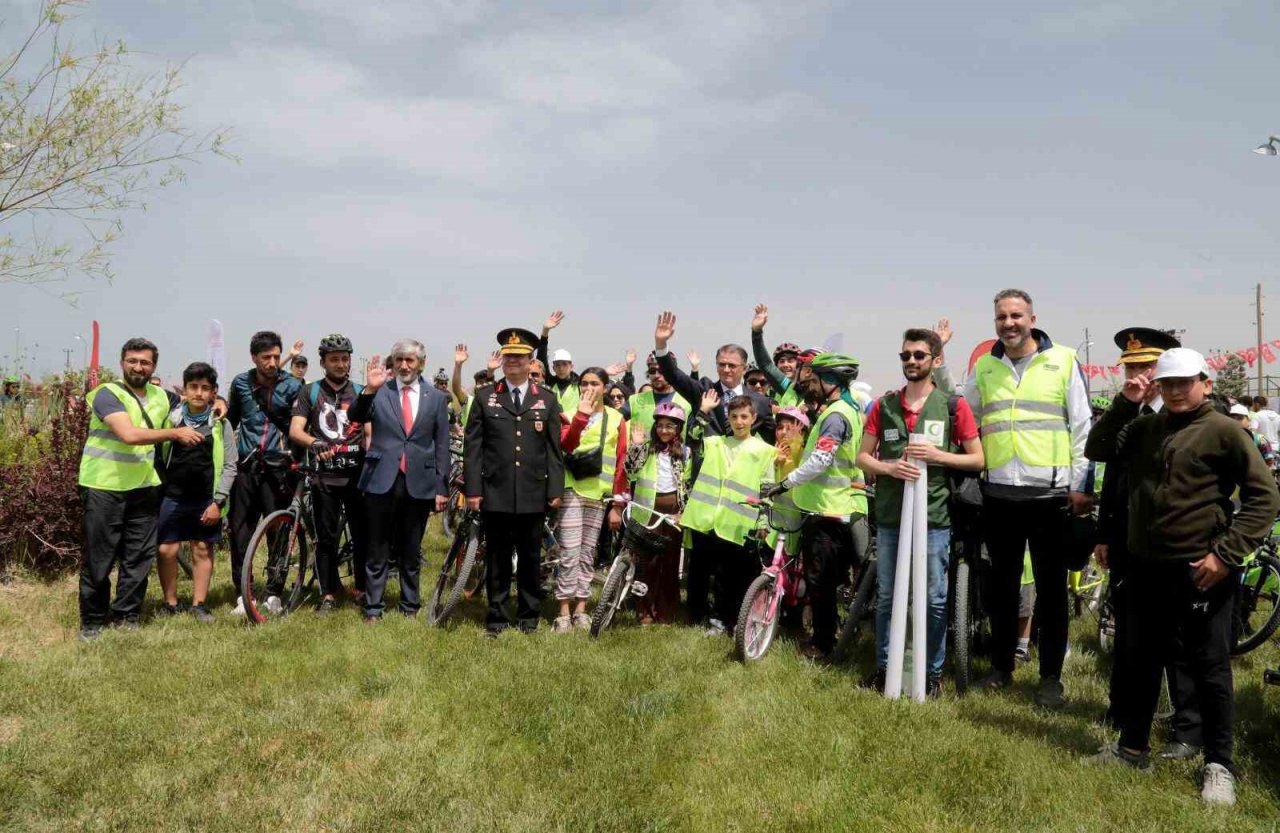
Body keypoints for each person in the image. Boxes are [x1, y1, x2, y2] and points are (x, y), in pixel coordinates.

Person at [1085, 347, 1280, 806]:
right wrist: (1125, 402)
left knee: (1209, 665)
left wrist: (1227, 555)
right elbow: (1097, 448)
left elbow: (1264, 499)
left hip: (1202, 569)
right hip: (1145, 567)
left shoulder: (1224, 431)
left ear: (1205, 384)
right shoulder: (1146, 428)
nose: (1175, 391)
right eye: (1167, 383)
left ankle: (1219, 764)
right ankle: (1133, 749)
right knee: (1141, 660)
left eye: (1184, 382)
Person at [962, 289, 1092, 707]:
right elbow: (970, 420)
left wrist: (1078, 485)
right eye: (1001, 317)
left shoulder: (1064, 360)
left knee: (1053, 593)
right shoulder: (984, 366)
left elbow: (1081, 427)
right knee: (1001, 589)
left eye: (1016, 316)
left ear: (1032, 318)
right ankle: (1002, 668)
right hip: (999, 494)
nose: (1009, 323)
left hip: (1050, 496)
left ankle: (1050, 678)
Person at [856, 329, 983, 694]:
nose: (911, 361)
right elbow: (862, 456)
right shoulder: (884, 405)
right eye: (906, 356)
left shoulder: (952, 406)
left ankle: (931, 674)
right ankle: (885, 669)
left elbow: (977, 459)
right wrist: (889, 467)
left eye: (919, 356)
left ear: (935, 360)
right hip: (893, 516)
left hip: (934, 518)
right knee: (887, 596)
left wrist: (938, 456)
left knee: (934, 597)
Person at [77, 338, 203, 640]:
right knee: (100, 558)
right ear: (122, 362)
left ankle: (127, 615)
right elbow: (128, 434)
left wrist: (219, 402)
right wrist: (174, 433)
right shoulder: (106, 394)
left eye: (145, 362)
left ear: (153, 367)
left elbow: (195, 404)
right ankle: (93, 621)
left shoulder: (162, 396)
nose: (138, 367)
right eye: (132, 360)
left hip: (144, 488)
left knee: (139, 557)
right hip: (103, 486)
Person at [764, 352, 868, 659]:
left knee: (820, 581)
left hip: (828, 510)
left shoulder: (836, 415)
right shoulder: (841, 409)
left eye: (815, 377)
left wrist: (784, 483)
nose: (809, 382)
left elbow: (820, 460)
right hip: (829, 508)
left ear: (831, 381)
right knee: (824, 580)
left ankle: (823, 644)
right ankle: (828, 636)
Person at [465, 327, 565, 636]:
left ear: (531, 361)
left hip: (533, 493)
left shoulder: (546, 400)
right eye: (508, 357)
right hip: (495, 492)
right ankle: (496, 619)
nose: (512, 362)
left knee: (531, 559)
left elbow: (553, 450)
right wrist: (473, 490)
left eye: (519, 358)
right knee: (497, 558)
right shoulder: (485, 398)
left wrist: (555, 490)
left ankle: (529, 618)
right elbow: (473, 449)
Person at [348, 339, 450, 621]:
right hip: (380, 480)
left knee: (411, 548)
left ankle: (410, 606)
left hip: (419, 481)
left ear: (421, 363)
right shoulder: (380, 391)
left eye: (410, 360)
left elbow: (442, 445)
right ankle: (373, 608)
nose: (404, 365)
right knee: (376, 547)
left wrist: (442, 487)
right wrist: (369, 388)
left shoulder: (436, 398)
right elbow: (354, 416)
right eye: (399, 360)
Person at [288, 334, 369, 615]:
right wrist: (315, 442)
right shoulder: (309, 391)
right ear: (322, 362)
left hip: (357, 476)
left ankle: (361, 589)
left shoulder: (361, 390)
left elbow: (369, 431)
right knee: (325, 538)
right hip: (324, 476)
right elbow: (296, 429)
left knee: (362, 535)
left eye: (345, 358)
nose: (340, 364)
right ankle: (328, 594)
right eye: (334, 359)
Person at [682, 391, 776, 635]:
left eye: (744, 416)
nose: (739, 421)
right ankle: (707, 619)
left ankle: (732, 621)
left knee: (733, 577)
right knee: (704, 573)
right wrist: (703, 411)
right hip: (708, 519)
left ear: (754, 417)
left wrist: (764, 520)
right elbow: (692, 437)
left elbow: (767, 489)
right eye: (734, 416)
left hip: (739, 523)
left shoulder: (764, 450)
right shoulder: (717, 443)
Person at [226, 331, 305, 616]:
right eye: (265, 357)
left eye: (275, 356)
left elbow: (301, 427)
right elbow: (231, 421)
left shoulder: (294, 386)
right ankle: (243, 594)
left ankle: (274, 592)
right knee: (240, 533)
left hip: (280, 470)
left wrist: (298, 460)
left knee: (279, 532)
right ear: (254, 358)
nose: (272, 362)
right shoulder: (240, 384)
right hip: (246, 469)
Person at [155, 362, 237, 623]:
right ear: (186, 389)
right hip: (173, 495)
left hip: (206, 499)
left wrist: (218, 502)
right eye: (194, 387)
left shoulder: (221, 423)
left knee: (202, 549)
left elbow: (230, 465)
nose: (199, 393)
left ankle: (199, 604)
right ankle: (170, 603)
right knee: (167, 550)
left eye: (205, 388)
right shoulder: (172, 419)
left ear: (213, 392)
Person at [555, 368, 628, 631]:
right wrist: (581, 415)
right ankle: (563, 611)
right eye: (584, 383)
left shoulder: (617, 418)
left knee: (587, 554)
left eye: (595, 383)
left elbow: (622, 463)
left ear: (605, 387)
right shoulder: (569, 411)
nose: (589, 387)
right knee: (569, 552)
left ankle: (581, 609)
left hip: (599, 495)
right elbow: (567, 444)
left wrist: (618, 505)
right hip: (572, 490)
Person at [654, 310, 776, 445]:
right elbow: (673, 375)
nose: (726, 370)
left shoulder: (761, 403)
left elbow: (773, 441)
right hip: (708, 464)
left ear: (744, 368)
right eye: (722, 365)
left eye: (732, 365)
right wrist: (660, 344)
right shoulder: (704, 391)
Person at [623, 402, 690, 624]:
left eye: (670, 426)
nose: (664, 430)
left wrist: (683, 513)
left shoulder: (685, 453)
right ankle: (644, 607)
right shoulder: (647, 449)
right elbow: (630, 471)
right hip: (647, 510)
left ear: (678, 428)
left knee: (669, 562)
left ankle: (666, 609)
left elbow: (688, 485)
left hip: (673, 512)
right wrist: (636, 445)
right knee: (646, 562)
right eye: (660, 425)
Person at [749, 303, 804, 408]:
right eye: (782, 361)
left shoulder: (812, 388)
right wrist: (756, 332)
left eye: (790, 360)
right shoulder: (785, 386)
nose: (785, 365)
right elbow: (765, 365)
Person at [627, 351, 691, 435]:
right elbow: (611, 419)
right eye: (652, 371)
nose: (656, 375)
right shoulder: (634, 401)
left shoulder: (687, 402)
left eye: (662, 371)